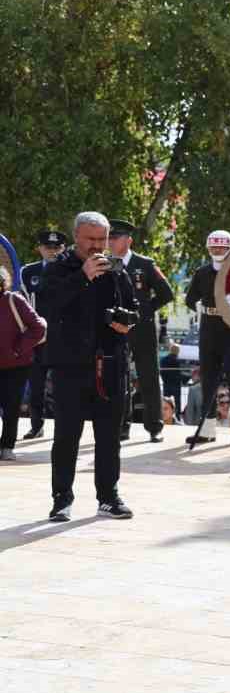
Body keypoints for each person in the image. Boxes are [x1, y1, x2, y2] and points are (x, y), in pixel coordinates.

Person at [36, 212, 138, 520]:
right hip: (70, 366)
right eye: (90, 239)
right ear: (76, 237)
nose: (97, 246)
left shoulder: (117, 270)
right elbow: (47, 306)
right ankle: (62, 498)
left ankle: (108, 496)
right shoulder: (58, 269)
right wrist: (83, 276)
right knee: (67, 436)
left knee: (109, 436)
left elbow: (133, 308)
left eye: (102, 240)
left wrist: (126, 323)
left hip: (109, 364)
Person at [107, 219, 174, 443]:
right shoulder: (105, 263)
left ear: (128, 240)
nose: (111, 242)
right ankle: (121, 427)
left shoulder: (144, 264)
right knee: (119, 376)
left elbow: (166, 293)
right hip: (115, 328)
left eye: (115, 238)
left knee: (149, 376)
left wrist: (146, 310)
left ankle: (154, 426)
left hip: (142, 328)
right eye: (109, 238)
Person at [184, 230, 230, 447]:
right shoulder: (202, 272)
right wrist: (197, 305)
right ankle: (207, 429)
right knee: (208, 379)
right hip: (209, 328)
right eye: (214, 247)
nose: (217, 251)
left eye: (221, 247)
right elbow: (190, 297)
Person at [19, 228, 66, 439]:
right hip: (37, 337)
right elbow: (22, 303)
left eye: (57, 247)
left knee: (63, 386)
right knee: (36, 385)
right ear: (40, 248)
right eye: (48, 247)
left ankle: (64, 427)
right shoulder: (28, 272)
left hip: (62, 336)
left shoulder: (71, 269)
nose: (53, 251)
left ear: (63, 248)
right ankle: (36, 425)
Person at [0, 263, 47, 459]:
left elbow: (39, 326)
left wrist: (18, 349)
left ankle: (7, 446)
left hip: (16, 365)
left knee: (11, 406)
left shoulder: (14, 300)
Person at [159, 340, 183, 413]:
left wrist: (164, 380)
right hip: (176, 384)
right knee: (177, 403)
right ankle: (177, 415)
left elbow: (162, 372)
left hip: (166, 384)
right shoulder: (178, 360)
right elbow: (179, 373)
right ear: (177, 351)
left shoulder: (163, 360)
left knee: (166, 401)